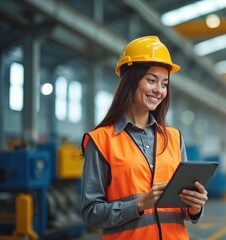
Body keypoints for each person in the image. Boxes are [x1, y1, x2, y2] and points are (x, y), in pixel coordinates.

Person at [80, 36, 208, 239]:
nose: (159, 90)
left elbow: (182, 209)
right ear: (130, 81)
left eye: (164, 84)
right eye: (151, 80)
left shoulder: (174, 138)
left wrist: (194, 206)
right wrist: (139, 205)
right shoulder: (101, 140)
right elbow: (91, 214)